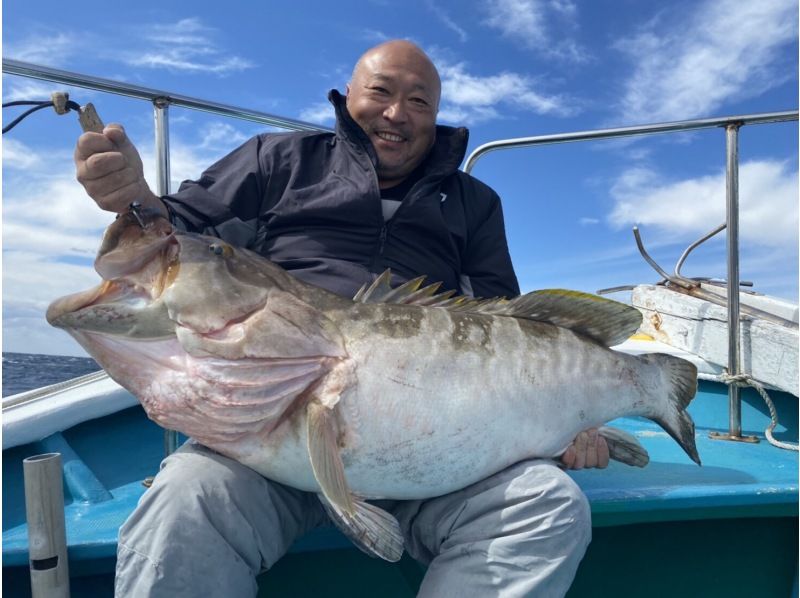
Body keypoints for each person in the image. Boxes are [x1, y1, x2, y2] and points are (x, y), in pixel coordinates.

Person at [75, 39, 609, 598]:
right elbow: (181, 234)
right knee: (184, 502)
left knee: (549, 506)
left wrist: (568, 413)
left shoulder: (475, 202)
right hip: (267, 427)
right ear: (347, 95)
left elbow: (510, 323)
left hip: (446, 452)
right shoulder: (275, 159)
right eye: (380, 91)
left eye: (419, 101)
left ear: (436, 114)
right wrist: (135, 198)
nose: (396, 113)